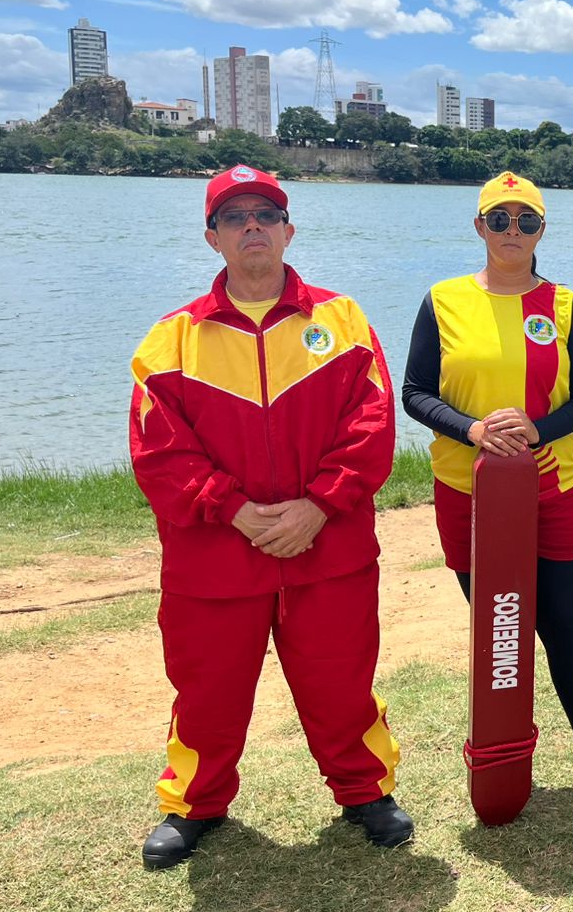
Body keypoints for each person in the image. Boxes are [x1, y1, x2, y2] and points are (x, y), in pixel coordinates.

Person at [129, 164, 411, 870]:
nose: (251, 227)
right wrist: (232, 509)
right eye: (234, 217)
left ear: (288, 231)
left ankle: (364, 792)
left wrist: (320, 505)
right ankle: (194, 802)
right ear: (212, 238)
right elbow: (159, 451)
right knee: (207, 687)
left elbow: (371, 426)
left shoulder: (341, 321)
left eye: (265, 214)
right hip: (216, 557)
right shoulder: (171, 341)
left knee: (342, 677)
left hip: (329, 547)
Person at [401, 172, 573, 809]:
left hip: (554, 489)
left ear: (542, 229)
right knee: (501, 628)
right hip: (465, 491)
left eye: (526, 220)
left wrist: (536, 430)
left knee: (562, 630)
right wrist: (472, 430)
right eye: (499, 220)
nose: (513, 231)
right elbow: (415, 394)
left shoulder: (564, 307)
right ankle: (503, 752)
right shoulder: (442, 300)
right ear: (479, 228)